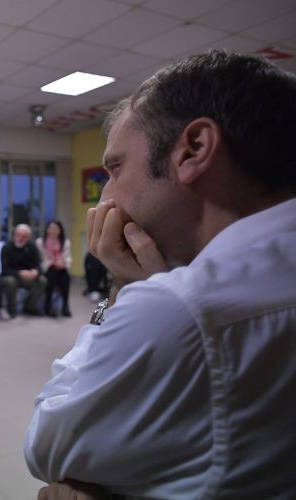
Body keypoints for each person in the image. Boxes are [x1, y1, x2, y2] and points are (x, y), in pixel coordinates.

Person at [24, 50, 296, 498]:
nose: (105, 198)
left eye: (115, 169)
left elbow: (46, 448)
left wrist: (120, 297)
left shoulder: (174, 306)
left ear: (193, 150)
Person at [0, 224, 45, 317]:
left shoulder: (32, 248)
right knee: (10, 281)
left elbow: (38, 265)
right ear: (14, 234)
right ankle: (11, 309)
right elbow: (4, 270)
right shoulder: (7, 248)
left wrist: (35, 271)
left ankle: (30, 307)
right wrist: (19, 273)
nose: (20, 238)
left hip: (28, 277)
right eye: (18, 235)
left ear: (28, 237)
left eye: (24, 236)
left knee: (42, 281)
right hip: (12, 276)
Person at [37, 220, 72, 318]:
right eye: (50, 228)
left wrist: (64, 263)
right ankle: (48, 306)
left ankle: (65, 305)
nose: (53, 230)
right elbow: (42, 259)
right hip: (47, 268)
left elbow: (68, 257)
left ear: (60, 230)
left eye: (56, 228)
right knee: (51, 275)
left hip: (61, 267)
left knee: (66, 277)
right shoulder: (40, 242)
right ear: (47, 230)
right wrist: (52, 263)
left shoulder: (65, 242)